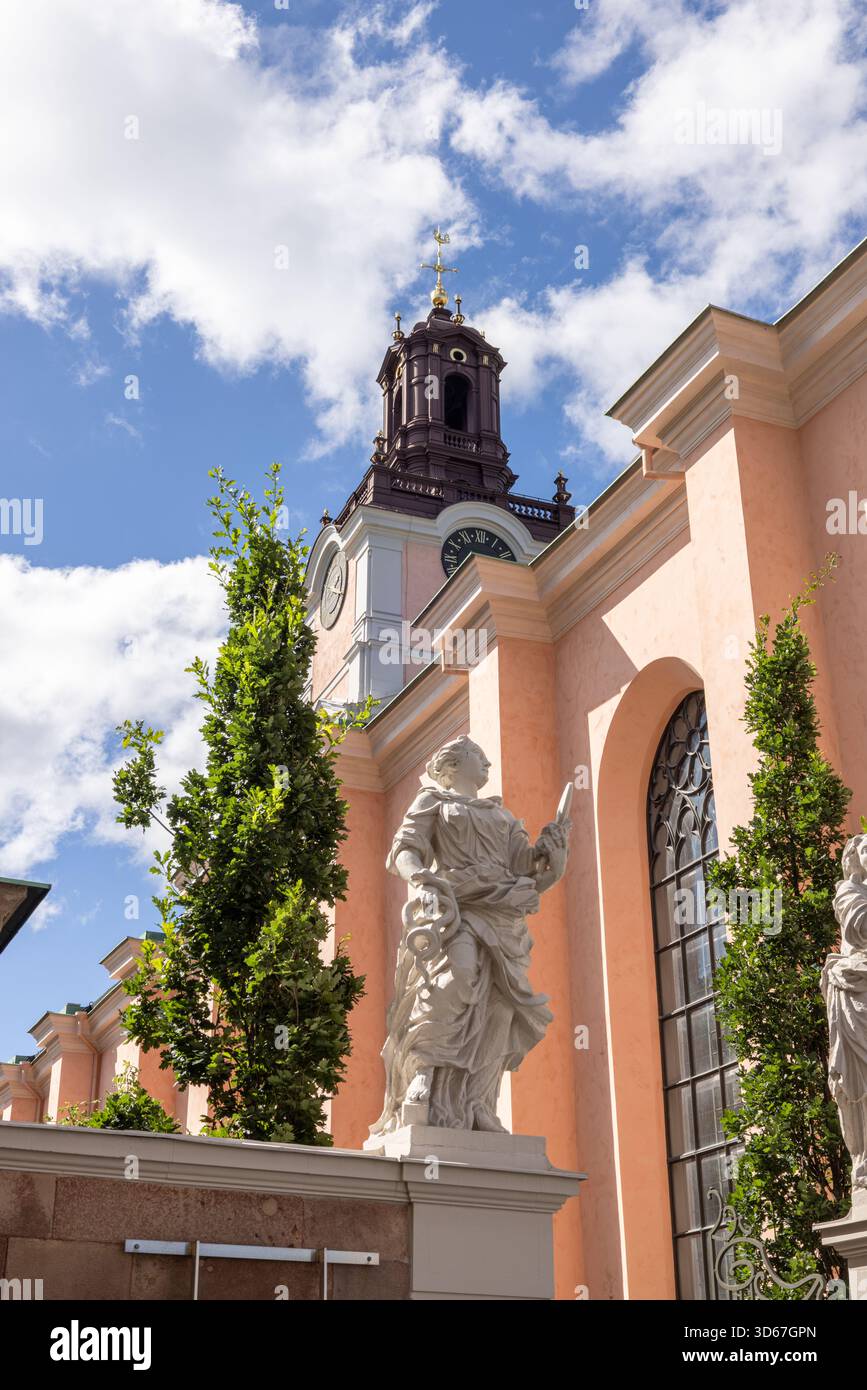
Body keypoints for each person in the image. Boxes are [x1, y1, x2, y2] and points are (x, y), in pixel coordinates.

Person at [368, 735, 571, 1136]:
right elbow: (404, 851)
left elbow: (529, 872)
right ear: (453, 764)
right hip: (458, 907)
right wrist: (422, 879)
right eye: (479, 757)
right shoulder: (433, 802)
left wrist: (555, 858)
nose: (488, 765)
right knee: (454, 980)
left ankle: (478, 1103)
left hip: (503, 916)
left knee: (501, 1006)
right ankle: (423, 1074)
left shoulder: (504, 818)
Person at [822, 833, 867, 1189]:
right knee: (858, 1082)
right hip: (855, 993)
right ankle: (863, 1159)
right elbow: (860, 927)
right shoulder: (849, 893)